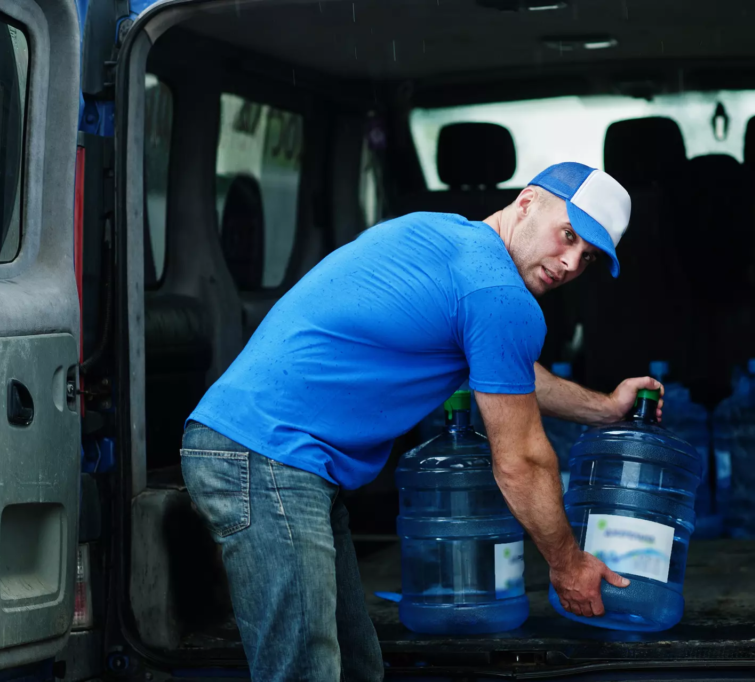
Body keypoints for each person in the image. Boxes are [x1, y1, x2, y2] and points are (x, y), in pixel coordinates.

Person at [182, 161, 661, 681]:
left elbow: (510, 376)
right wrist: (568, 564)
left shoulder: (442, 236)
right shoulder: (496, 294)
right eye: (568, 235)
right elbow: (520, 461)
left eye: (586, 257)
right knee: (304, 671)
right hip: (267, 456)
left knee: (356, 667)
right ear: (526, 202)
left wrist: (605, 407)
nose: (570, 262)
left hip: (270, 455)